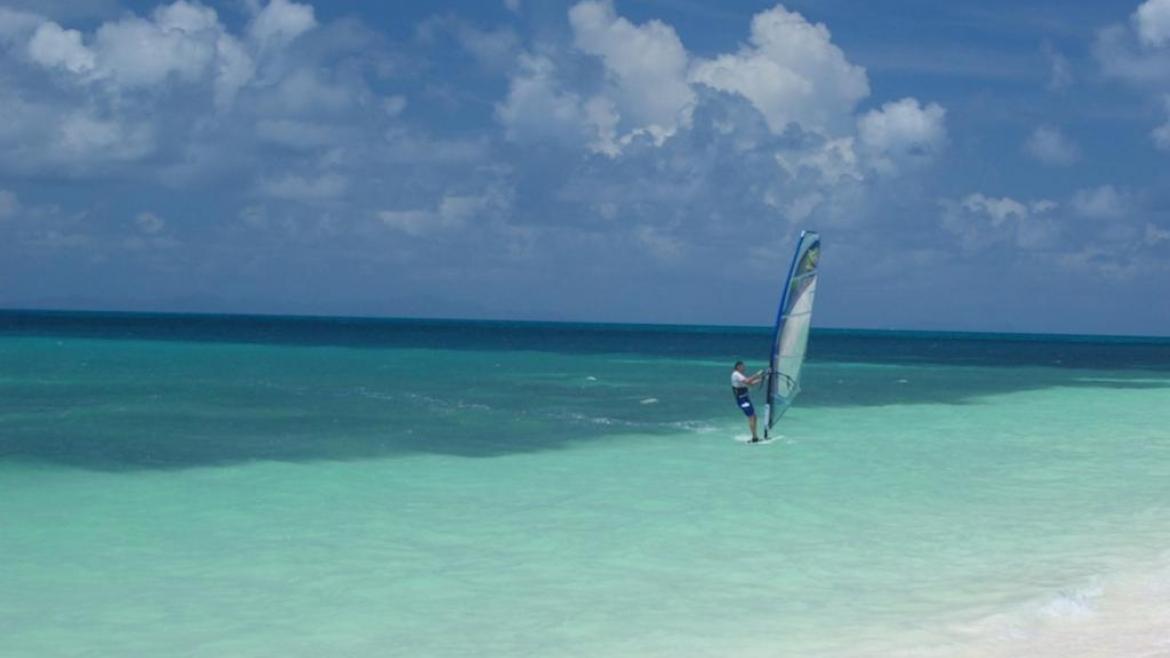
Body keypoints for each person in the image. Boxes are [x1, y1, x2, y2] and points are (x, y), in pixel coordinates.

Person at [731, 361, 765, 442]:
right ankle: (754, 438)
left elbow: (751, 384)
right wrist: (757, 374)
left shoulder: (740, 375)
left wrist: (762, 379)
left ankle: (755, 436)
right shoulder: (736, 374)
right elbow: (747, 381)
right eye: (743, 366)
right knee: (751, 416)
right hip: (742, 399)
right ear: (738, 367)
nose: (744, 368)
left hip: (746, 398)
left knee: (754, 416)